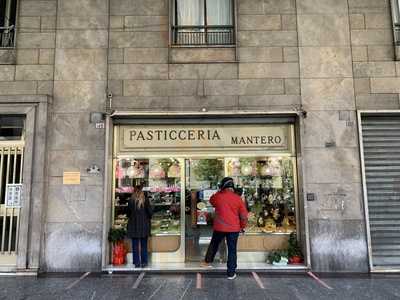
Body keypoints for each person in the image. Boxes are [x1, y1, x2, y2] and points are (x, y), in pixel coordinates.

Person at [202, 177, 248, 279]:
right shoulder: (238, 198)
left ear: (222, 186)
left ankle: (207, 262)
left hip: (220, 227)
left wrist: (219, 191)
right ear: (233, 187)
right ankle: (231, 274)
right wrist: (243, 226)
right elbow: (244, 216)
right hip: (234, 229)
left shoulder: (218, 196)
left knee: (214, 244)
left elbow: (211, 200)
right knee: (232, 250)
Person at [127, 185, 153, 268]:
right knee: (143, 245)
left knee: (135, 244)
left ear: (134, 191)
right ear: (142, 191)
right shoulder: (145, 200)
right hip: (144, 225)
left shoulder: (131, 200)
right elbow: (149, 212)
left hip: (133, 225)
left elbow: (128, 213)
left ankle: (136, 262)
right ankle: (144, 262)